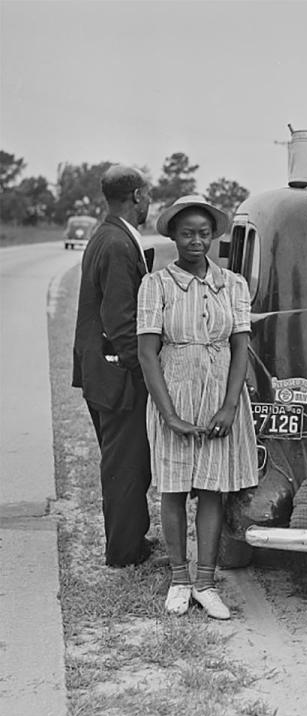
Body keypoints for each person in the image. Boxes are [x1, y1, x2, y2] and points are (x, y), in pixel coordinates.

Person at [137, 195, 259, 620]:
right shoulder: (157, 285)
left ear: (214, 237)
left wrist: (229, 406)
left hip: (220, 397)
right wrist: (169, 414)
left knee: (212, 489)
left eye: (203, 234)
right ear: (172, 235)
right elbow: (148, 353)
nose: (195, 241)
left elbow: (240, 346)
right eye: (187, 233)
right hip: (175, 390)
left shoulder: (234, 284)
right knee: (173, 488)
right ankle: (179, 579)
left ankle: (205, 583)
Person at [72, 165, 156, 567]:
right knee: (126, 464)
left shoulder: (107, 235)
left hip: (103, 370)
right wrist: (144, 373)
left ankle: (130, 541)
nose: (149, 202)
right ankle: (125, 553)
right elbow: (121, 321)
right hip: (117, 375)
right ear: (137, 195)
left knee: (125, 460)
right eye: (149, 195)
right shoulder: (119, 244)